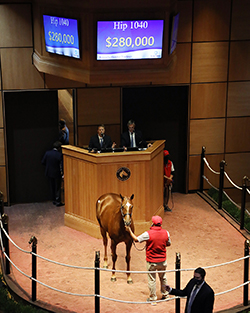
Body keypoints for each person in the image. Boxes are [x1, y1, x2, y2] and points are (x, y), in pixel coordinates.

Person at [126, 215, 171, 302]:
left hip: (152, 261)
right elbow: (168, 244)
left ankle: (153, 298)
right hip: (162, 260)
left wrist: (129, 230)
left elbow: (136, 239)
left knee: (152, 280)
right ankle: (166, 294)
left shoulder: (148, 234)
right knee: (163, 277)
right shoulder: (166, 233)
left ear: (153, 223)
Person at [42, 141, 64, 206]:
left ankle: (53, 199)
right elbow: (61, 165)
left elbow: (43, 162)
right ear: (59, 148)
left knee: (52, 186)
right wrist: (62, 173)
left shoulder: (47, 153)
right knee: (57, 187)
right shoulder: (59, 155)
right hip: (56, 173)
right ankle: (58, 201)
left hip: (49, 172)